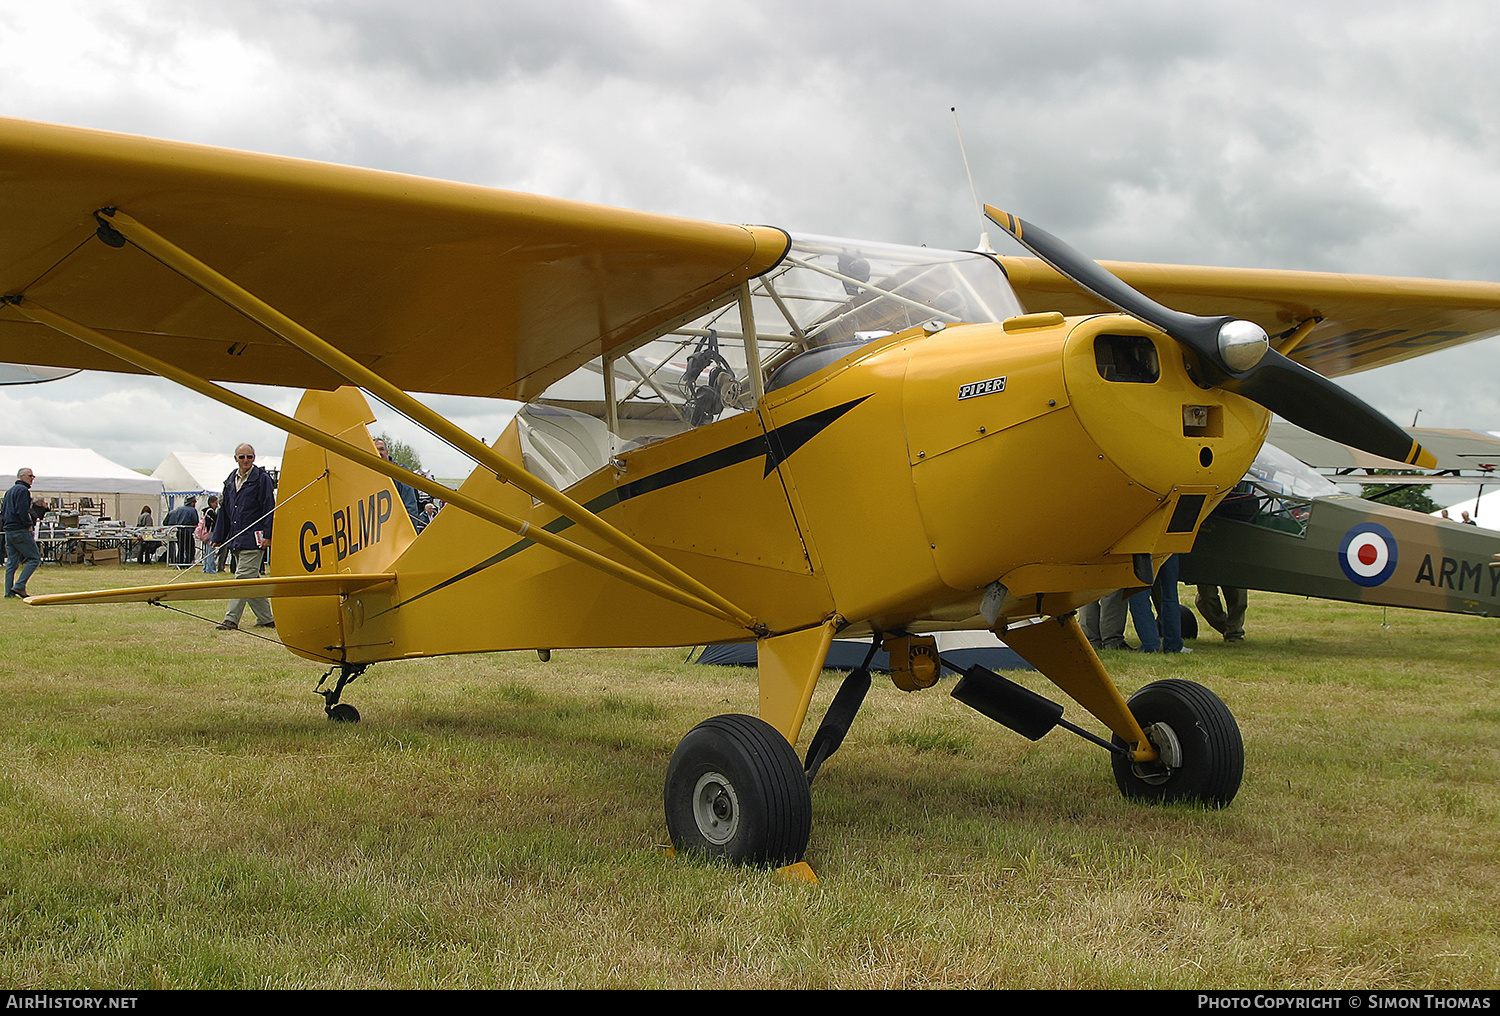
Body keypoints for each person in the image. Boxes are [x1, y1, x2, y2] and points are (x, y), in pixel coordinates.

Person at [211, 443, 276, 631]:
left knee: (241, 579)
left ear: (254, 458)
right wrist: (219, 536)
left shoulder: (262, 479)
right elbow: (224, 511)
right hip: (236, 538)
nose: (246, 460)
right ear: (236, 459)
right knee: (250, 580)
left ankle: (230, 619)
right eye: (242, 457)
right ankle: (266, 618)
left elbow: (269, 508)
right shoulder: (231, 480)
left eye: (250, 457)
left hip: (255, 539)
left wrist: (268, 535)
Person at [4, 467, 44, 598]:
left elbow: (4, 511)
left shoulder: (9, 492)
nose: (32, 479)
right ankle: (20, 585)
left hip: (9, 530)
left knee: (12, 562)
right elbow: (22, 510)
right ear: (21, 477)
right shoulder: (23, 491)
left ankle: (8, 592)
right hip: (19, 529)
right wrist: (28, 525)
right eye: (30, 476)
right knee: (34, 558)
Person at [373, 437, 427, 531]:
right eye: (375, 449)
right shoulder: (368, 475)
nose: (379, 452)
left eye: (382, 449)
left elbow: (410, 508)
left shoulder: (400, 474)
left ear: (387, 452)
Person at [163, 496, 199, 566]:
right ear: (192, 503)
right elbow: (195, 521)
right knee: (190, 549)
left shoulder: (179, 509)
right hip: (188, 531)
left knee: (180, 549)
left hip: (179, 531)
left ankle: (179, 563)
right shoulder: (192, 510)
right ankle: (187, 563)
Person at [201, 495, 220, 573]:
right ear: (211, 503)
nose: (217, 505)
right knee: (210, 551)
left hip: (206, 533)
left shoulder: (206, 511)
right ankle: (210, 569)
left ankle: (205, 568)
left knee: (207, 551)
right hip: (210, 532)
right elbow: (216, 519)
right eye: (216, 503)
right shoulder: (211, 512)